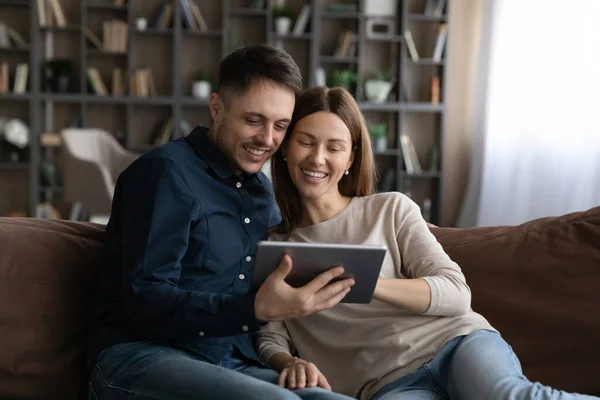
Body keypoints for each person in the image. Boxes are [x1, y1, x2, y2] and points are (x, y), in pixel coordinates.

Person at [255, 86, 600, 400]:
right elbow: (271, 332)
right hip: (385, 384)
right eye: (306, 142)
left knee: (508, 396)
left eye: (334, 147)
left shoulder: (390, 209)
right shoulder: (276, 245)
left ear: (350, 158)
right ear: (285, 148)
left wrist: (371, 283)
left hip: (455, 344)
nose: (318, 158)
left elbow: (455, 292)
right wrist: (288, 362)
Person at [86, 45, 355, 400]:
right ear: (217, 108)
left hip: (230, 361)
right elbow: (143, 299)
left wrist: (287, 359)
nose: (267, 139)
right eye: (253, 120)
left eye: (281, 126)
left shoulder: (262, 192)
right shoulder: (165, 174)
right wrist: (253, 309)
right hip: (138, 356)